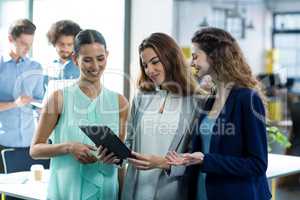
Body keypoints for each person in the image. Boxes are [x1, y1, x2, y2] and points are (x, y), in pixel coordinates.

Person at [166, 27, 272, 200]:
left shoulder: (247, 98)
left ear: (214, 56)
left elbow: (257, 164)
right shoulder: (211, 98)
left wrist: (206, 160)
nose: (191, 63)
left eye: (195, 56)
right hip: (204, 192)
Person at [30, 29, 128, 200]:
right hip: (67, 192)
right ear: (75, 59)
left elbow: (120, 161)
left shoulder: (120, 102)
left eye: (100, 58)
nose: (95, 66)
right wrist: (68, 147)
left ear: (107, 55)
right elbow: (35, 150)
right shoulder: (59, 98)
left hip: (107, 192)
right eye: (88, 60)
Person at [122, 32, 206, 200]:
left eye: (155, 62)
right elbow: (129, 142)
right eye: (145, 65)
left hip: (171, 191)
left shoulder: (198, 102)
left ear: (171, 59)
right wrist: (115, 153)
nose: (150, 70)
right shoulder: (141, 97)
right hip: (135, 191)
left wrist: (161, 162)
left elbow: (196, 157)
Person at [0, 19, 44, 173]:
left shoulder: (36, 67)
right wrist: (15, 103)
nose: (27, 49)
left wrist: (40, 107)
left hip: (29, 143)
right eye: (23, 43)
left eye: (30, 44)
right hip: (3, 143)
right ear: (10, 39)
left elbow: (40, 99)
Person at [44, 20, 81, 91]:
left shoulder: (82, 67)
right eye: (61, 44)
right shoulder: (47, 68)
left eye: (69, 44)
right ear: (54, 42)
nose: (65, 48)